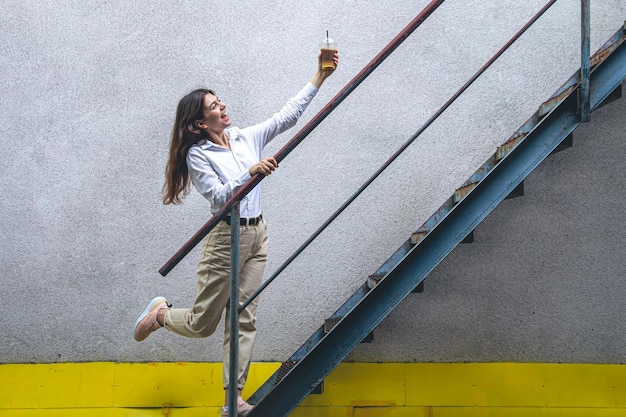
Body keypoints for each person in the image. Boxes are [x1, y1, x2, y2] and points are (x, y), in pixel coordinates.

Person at [134, 49, 338, 417]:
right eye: (214, 105)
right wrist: (251, 173)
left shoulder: (245, 138)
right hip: (225, 240)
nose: (223, 106)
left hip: (257, 234)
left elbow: (286, 115)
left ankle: (233, 400)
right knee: (202, 324)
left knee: (244, 316)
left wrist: (320, 75)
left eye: (220, 100)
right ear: (198, 123)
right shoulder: (198, 156)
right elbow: (219, 195)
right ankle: (161, 314)